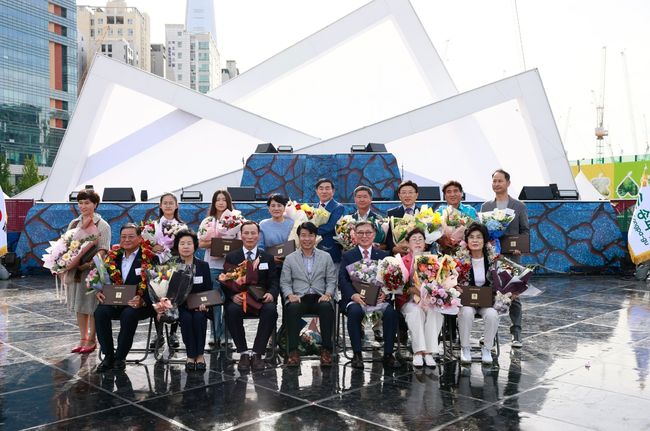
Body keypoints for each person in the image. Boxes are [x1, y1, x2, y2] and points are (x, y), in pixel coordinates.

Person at [94, 223, 157, 372]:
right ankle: (108, 355)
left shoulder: (150, 258)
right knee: (100, 312)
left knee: (129, 314)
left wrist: (143, 301)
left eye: (131, 236)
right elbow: (103, 279)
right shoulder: (112, 256)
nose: (126, 240)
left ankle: (120, 357)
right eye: (123, 237)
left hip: (139, 305)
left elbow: (156, 286)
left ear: (140, 238)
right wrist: (99, 291)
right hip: (115, 301)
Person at [339, 221, 401, 369]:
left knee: (390, 313)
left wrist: (385, 293)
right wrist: (353, 295)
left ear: (374, 235)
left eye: (368, 232)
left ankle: (388, 354)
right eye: (360, 233)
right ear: (355, 235)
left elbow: (390, 278)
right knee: (354, 311)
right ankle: (357, 354)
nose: (364, 236)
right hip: (357, 299)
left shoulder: (384, 255)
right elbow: (343, 280)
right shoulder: (347, 255)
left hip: (379, 299)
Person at [480, 169, 530, 348]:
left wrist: (520, 247)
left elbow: (525, 230)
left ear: (508, 183)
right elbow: (483, 232)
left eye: (500, 181)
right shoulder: (486, 207)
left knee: (513, 296)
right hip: (492, 257)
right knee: (492, 294)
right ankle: (490, 334)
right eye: (494, 181)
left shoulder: (519, 206)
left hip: (511, 258)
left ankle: (516, 333)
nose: (496, 184)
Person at [221, 221, 278, 372]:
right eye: (246, 233)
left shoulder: (267, 257)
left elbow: (274, 281)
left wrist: (271, 294)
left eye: (253, 233)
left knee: (271, 310)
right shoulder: (232, 257)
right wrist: (233, 296)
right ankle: (243, 353)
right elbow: (226, 281)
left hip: (261, 299)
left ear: (258, 236)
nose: (250, 236)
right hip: (241, 299)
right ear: (241, 235)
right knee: (231, 310)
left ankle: (258, 353)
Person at [280, 222, 337, 367]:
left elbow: (332, 280)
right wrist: (290, 295)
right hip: (299, 297)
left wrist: (328, 294)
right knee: (292, 308)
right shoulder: (290, 258)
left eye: (310, 235)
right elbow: (285, 282)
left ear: (315, 237)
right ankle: (293, 351)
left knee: (326, 307)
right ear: (298, 237)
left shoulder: (326, 257)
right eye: (303, 235)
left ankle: (326, 350)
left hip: (319, 297)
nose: (307, 239)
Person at [65, 188, 111, 355]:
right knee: (79, 305)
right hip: (75, 271)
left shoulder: (102, 225)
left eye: (87, 203)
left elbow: (104, 249)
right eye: (80, 203)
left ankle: (92, 340)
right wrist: (66, 260)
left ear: (95, 204)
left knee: (91, 306)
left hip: (92, 271)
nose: (83, 206)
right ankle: (82, 338)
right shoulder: (74, 224)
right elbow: (66, 245)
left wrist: (91, 263)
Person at [399, 228, 442, 368]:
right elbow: (398, 286)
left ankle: (428, 352)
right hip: (410, 300)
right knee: (416, 312)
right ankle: (418, 352)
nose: (417, 242)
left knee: (435, 312)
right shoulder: (401, 261)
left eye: (420, 239)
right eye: (414, 239)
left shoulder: (434, 260)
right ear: (408, 243)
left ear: (425, 243)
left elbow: (440, 282)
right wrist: (411, 289)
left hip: (429, 300)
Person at [198, 190, 236, 347]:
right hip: (212, 266)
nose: (221, 202)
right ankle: (214, 333)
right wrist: (218, 243)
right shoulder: (207, 221)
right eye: (217, 199)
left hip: (231, 267)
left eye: (224, 199)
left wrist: (228, 245)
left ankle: (228, 334)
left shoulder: (235, 220)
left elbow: (240, 242)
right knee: (214, 301)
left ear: (228, 202)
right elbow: (201, 243)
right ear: (213, 203)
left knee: (229, 301)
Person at [149, 192, 186, 350]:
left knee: (174, 297)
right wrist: (152, 247)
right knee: (157, 298)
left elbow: (187, 244)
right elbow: (146, 243)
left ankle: (173, 333)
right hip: (157, 265)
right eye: (165, 203)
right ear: (160, 205)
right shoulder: (153, 226)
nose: (168, 205)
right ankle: (159, 334)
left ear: (176, 205)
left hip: (175, 264)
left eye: (171, 203)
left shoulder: (182, 226)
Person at [457, 223, 498, 365]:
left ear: (484, 240)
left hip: (486, 301)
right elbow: (452, 280)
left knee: (492, 314)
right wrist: (456, 287)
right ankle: (465, 348)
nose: (475, 240)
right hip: (467, 301)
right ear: (467, 241)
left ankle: (487, 349)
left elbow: (500, 281)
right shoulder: (460, 260)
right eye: (471, 237)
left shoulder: (493, 260)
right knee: (466, 312)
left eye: (479, 237)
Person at [174, 230, 213, 372]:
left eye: (189, 243)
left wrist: (205, 303)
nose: (186, 246)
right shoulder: (171, 265)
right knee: (185, 319)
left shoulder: (203, 265)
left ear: (195, 246)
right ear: (177, 246)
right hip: (179, 306)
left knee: (199, 318)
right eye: (182, 243)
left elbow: (208, 289)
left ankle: (200, 355)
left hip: (199, 305)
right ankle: (191, 356)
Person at [436, 180, 478, 255]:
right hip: (444, 252)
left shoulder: (470, 210)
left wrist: (462, 242)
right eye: (449, 192)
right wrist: (441, 239)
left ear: (461, 193)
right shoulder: (440, 211)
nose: (452, 194)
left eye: (455, 191)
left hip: (466, 253)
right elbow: (432, 232)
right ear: (445, 196)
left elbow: (478, 231)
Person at [259, 193, 294, 279]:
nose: (276, 208)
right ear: (269, 208)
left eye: (279, 205)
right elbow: (260, 247)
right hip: (270, 266)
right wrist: (271, 258)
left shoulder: (292, 223)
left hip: (290, 266)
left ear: (284, 207)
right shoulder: (263, 225)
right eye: (273, 206)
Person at [314, 178, 345, 263]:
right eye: (321, 188)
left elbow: (330, 226)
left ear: (333, 191)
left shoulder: (338, 207)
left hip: (330, 249)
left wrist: (310, 231)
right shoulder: (313, 207)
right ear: (317, 191)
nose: (324, 191)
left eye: (327, 188)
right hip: (314, 250)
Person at [386, 180, 420, 256]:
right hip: (398, 254)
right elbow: (388, 236)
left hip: (419, 254)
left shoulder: (423, 213)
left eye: (410, 192)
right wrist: (394, 248)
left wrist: (424, 245)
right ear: (399, 195)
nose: (407, 195)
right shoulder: (391, 213)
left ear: (416, 195)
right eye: (404, 192)